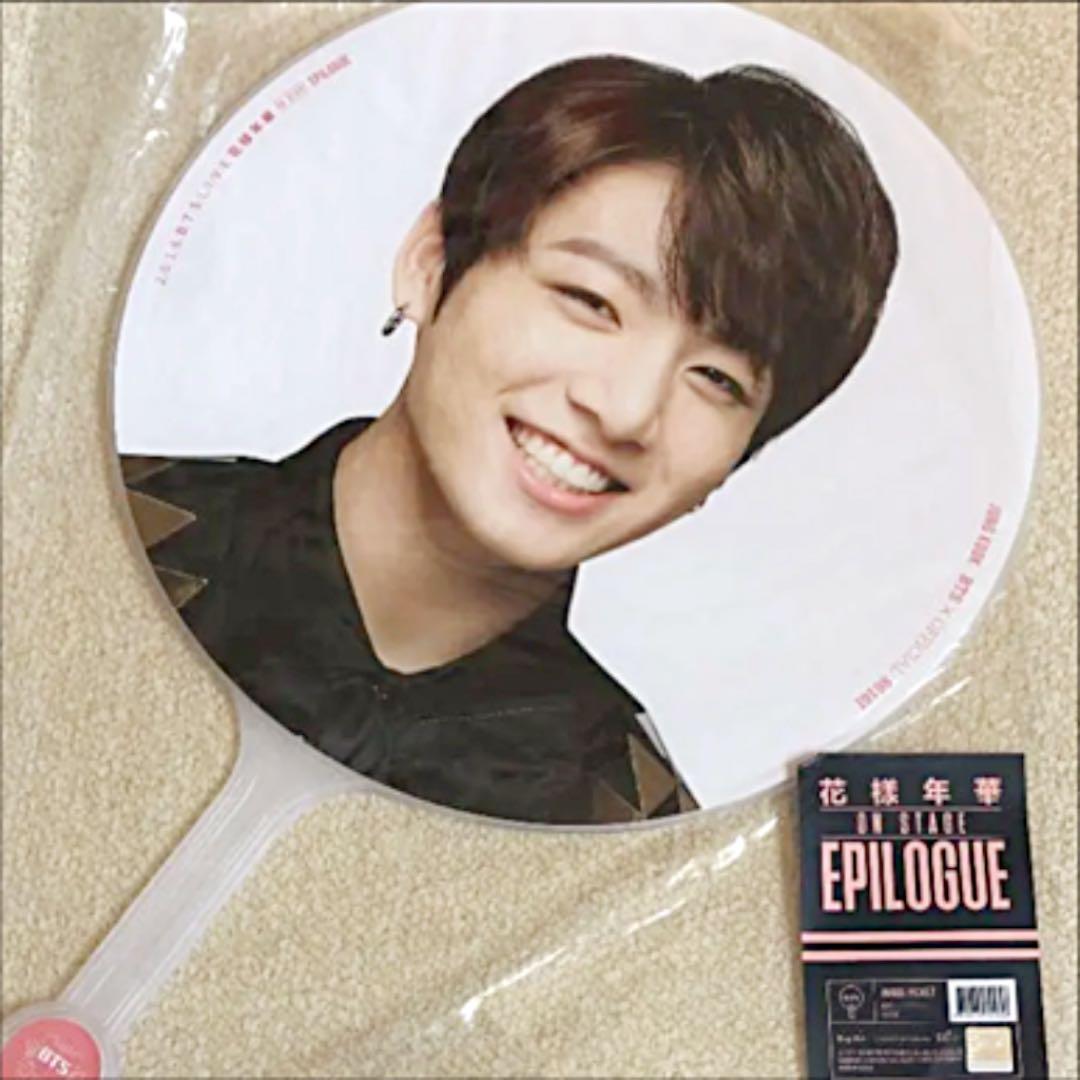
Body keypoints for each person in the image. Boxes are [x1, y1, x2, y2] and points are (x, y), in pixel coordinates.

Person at [125, 54, 898, 825]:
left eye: (718, 379)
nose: (628, 412)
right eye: (590, 300)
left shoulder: (623, 825)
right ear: (431, 264)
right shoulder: (104, 521)